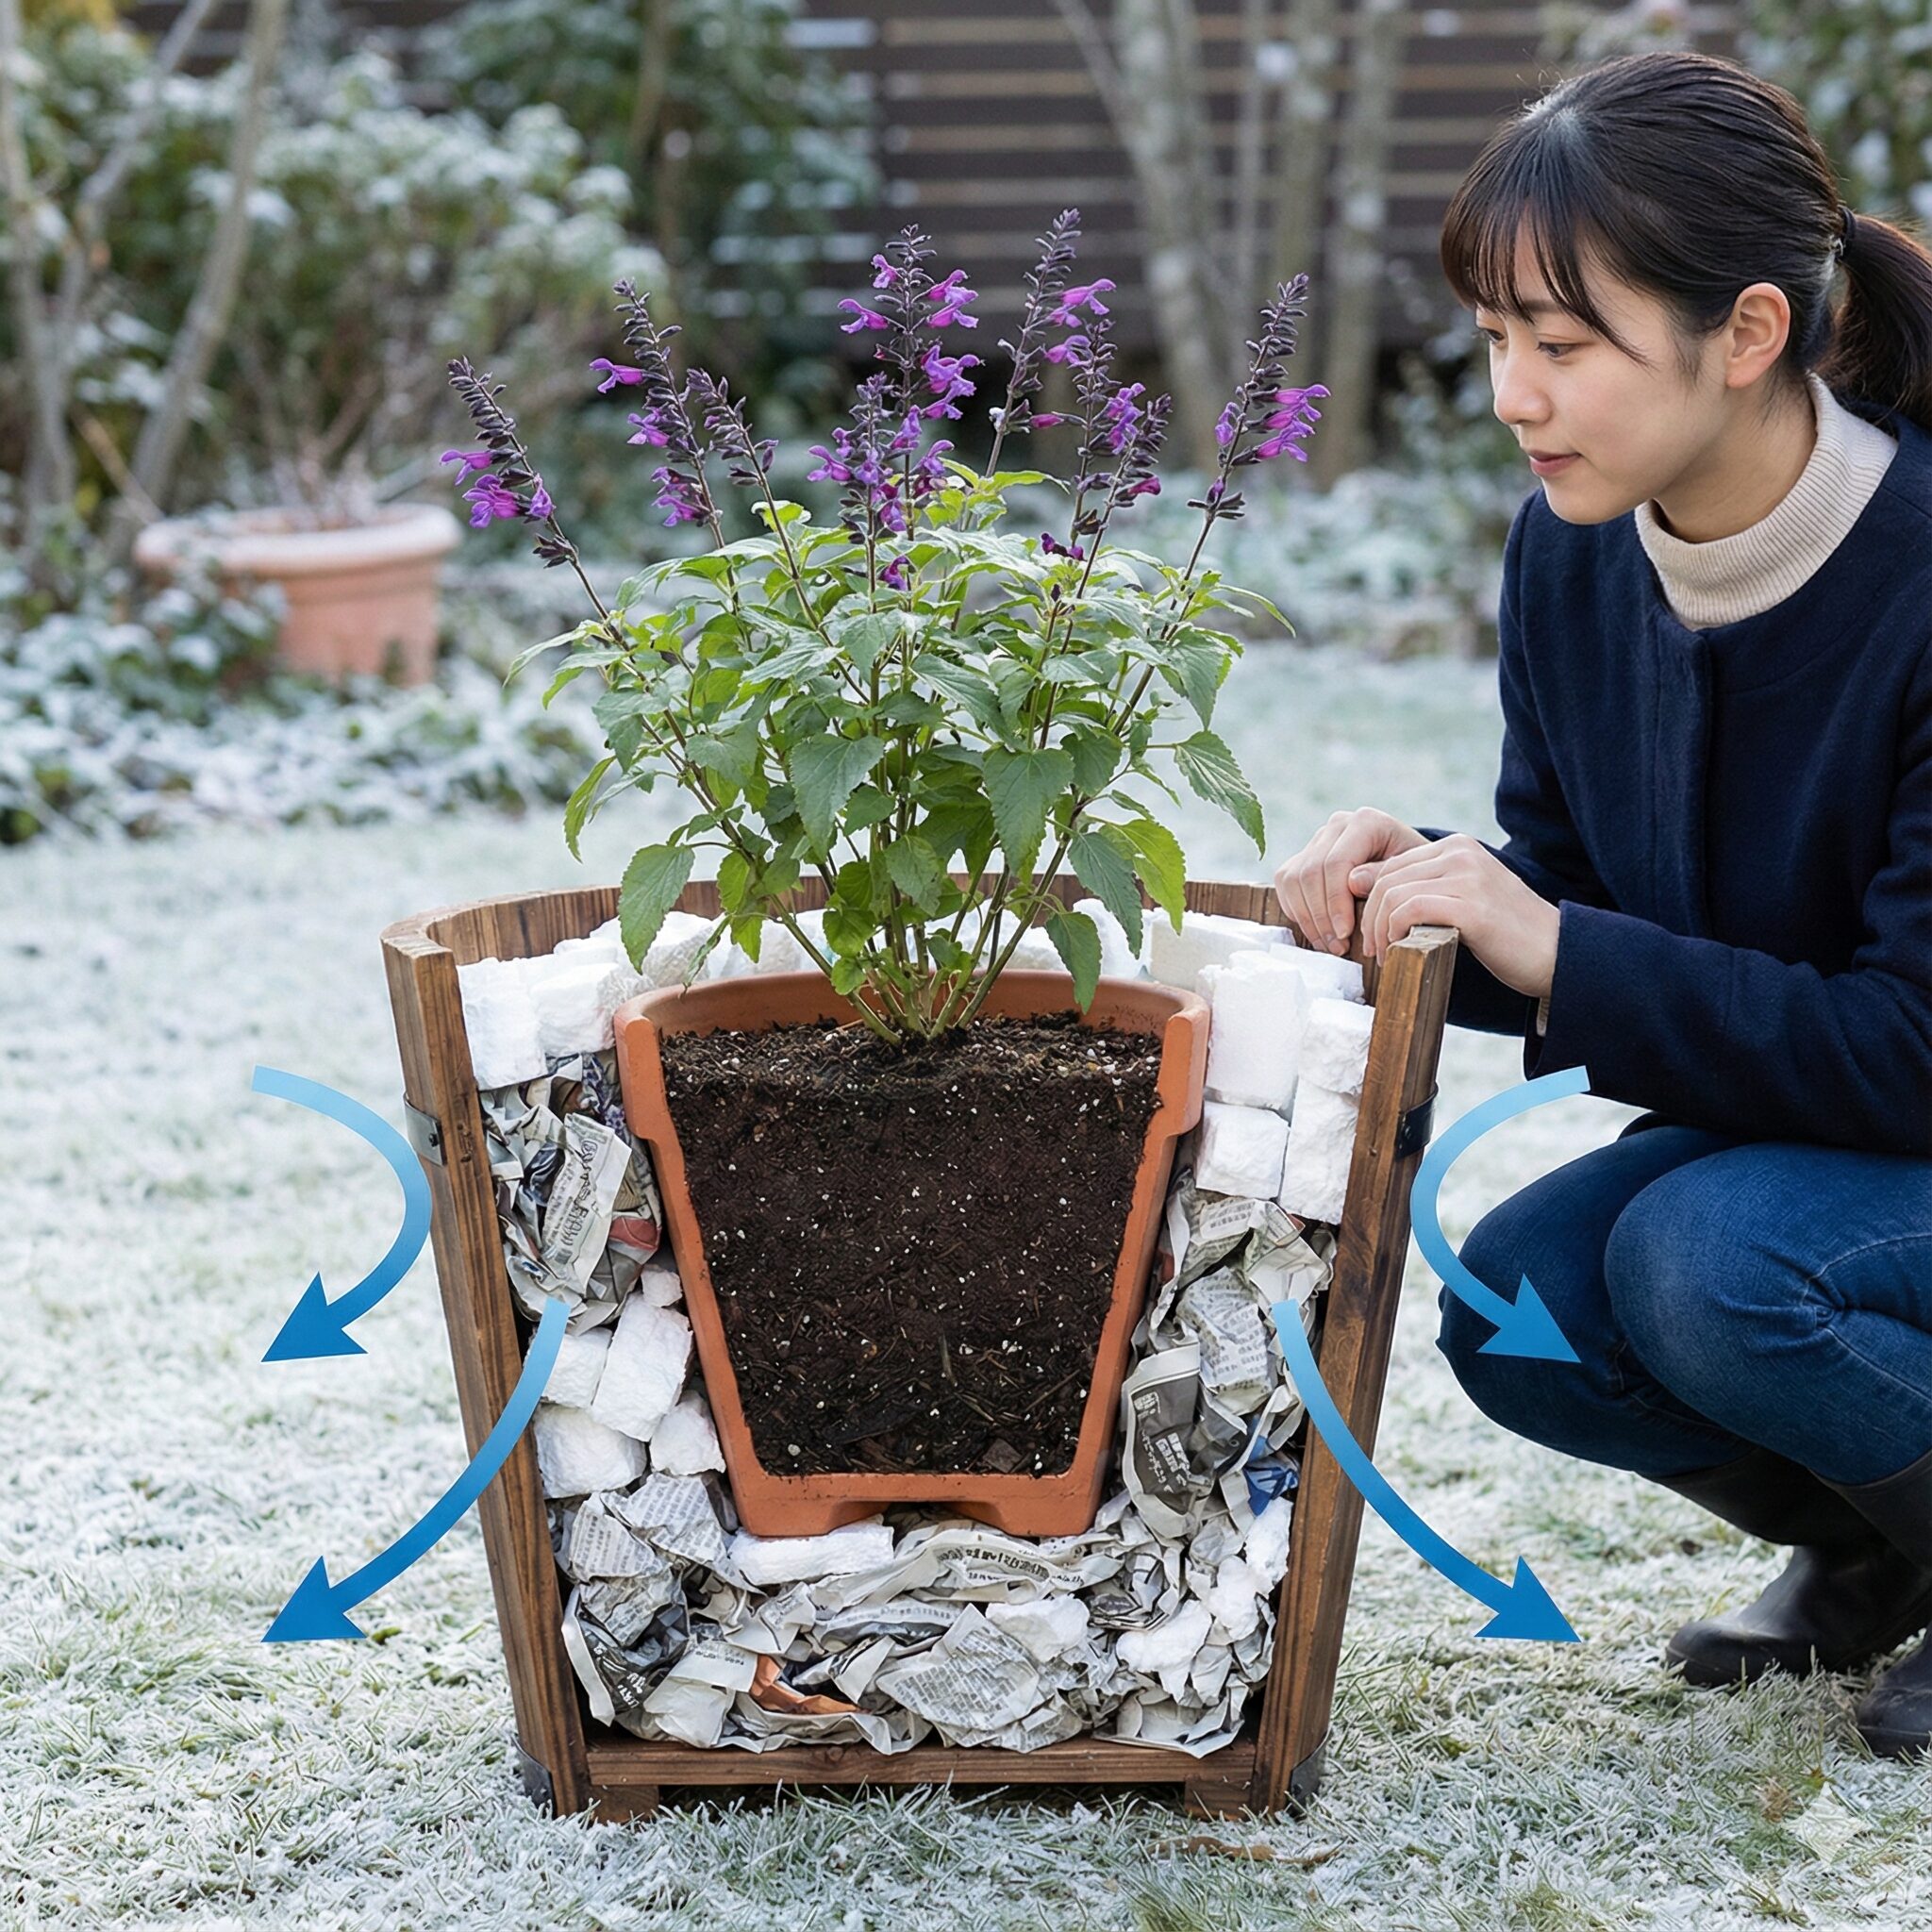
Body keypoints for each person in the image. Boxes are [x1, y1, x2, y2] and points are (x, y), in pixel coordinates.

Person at [1272, 49, 1932, 1756]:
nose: (1514, 393)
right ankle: (1880, 1547)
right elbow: (1574, 900)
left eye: (1564, 345)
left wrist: (1553, 940)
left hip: (1898, 1121)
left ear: (1749, 331)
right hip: (1808, 1139)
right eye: (1498, 337)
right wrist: (1426, 894)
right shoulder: (1570, 553)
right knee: (1527, 1310)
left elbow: (1913, 1044)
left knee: (1705, 1265)